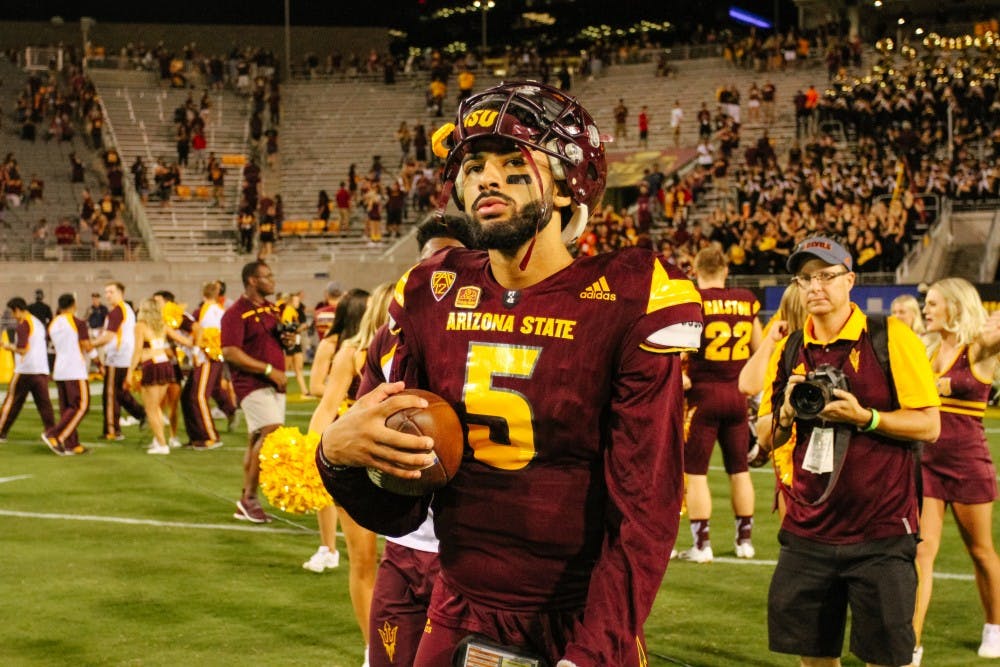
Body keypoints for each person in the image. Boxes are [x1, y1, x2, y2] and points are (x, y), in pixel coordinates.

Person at [316, 81, 704, 666]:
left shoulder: (627, 296)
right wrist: (337, 458)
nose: (486, 178)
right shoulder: (432, 291)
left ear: (570, 183)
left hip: (579, 621)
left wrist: (591, 654)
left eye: (511, 162)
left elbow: (644, 512)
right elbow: (395, 512)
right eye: (473, 165)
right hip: (457, 612)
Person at [760, 236, 940, 667]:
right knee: (813, 657)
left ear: (850, 280)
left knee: (885, 658)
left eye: (826, 275)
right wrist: (785, 413)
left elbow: (930, 424)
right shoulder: (790, 348)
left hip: (879, 533)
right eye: (805, 278)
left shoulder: (888, 337)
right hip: (808, 531)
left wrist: (867, 418)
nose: (815, 286)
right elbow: (767, 435)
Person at [368, 214, 473, 667]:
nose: (440, 272)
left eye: (452, 259)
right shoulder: (387, 340)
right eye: (431, 260)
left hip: (470, 553)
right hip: (405, 543)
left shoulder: (495, 333)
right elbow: (363, 423)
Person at [912, 278, 1000, 664]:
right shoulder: (926, 349)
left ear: (955, 306)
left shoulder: (978, 348)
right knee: (920, 554)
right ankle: (910, 642)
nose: (926, 309)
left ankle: (995, 627)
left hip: (968, 464)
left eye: (932, 303)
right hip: (927, 464)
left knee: (980, 552)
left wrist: (989, 322)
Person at [309, 283, 393, 665]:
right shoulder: (351, 352)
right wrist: (314, 455)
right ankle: (371, 649)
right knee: (363, 557)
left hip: (399, 461)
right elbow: (326, 407)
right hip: (356, 463)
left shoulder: (421, 345)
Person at [675, 246, 762, 563]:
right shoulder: (745, 300)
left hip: (703, 395)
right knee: (740, 471)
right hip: (737, 395)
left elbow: (678, 348)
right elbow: (761, 349)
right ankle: (745, 542)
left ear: (696, 271)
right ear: (725, 270)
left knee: (695, 473)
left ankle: (702, 545)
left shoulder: (693, 299)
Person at [303, 287, 371, 574]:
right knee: (327, 490)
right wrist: (342, 397)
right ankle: (328, 547)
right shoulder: (331, 345)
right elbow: (316, 385)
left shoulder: (371, 344)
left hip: (365, 422)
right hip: (338, 420)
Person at [221, 261, 293, 523]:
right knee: (271, 431)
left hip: (274, 384)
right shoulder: (235, 313)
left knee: (256, 441)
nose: (272, 280)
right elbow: (229, 351)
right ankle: (250, 498)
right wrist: (267, 370)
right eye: (267, 276)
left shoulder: (271, 309)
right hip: (252, 384)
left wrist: (288, 341)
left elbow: (272, 343)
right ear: (252, 280)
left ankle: (245, 499)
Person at [92, 282, 146, 440]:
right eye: (106, 292)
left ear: (120, 293)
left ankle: (112, 430)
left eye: (111, 292)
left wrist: (90, 344)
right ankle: (141, 414)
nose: (107, 295)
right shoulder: (125, 309)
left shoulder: (118, 311)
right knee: (119, 393)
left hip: (118, 357)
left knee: (110, 394)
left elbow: (109, 336)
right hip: (123, 356)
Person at [128, 299, 181, 455]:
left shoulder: (140, 326)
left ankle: (162, 445)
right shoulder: (162, 325)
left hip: (151, 366)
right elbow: (180, 340)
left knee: (150, 409)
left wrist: (130, 371)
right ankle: (158, 440)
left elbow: (137, 351)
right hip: (165, 366)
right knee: (157, 407)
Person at [0, 297, 55, 446]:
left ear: (17, 309)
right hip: (41, 370)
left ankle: (1, 431)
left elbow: (23, 349)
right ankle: (52, 433)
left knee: (12, 402)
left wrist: (8, 346)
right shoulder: (37, 322)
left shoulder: (23, 324)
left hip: (25, 370)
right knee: (45, 405)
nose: (12, 316)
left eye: (13, 312)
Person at [43, 293, 92, 456]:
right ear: (73, 305)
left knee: (67, 408)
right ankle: (55, 434)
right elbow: (86, 345)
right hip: (75, 368)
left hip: (60, 368)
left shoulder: (54, 323)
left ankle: (72, 443)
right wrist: (98, 361)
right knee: (81, 405)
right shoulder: (77, 322)